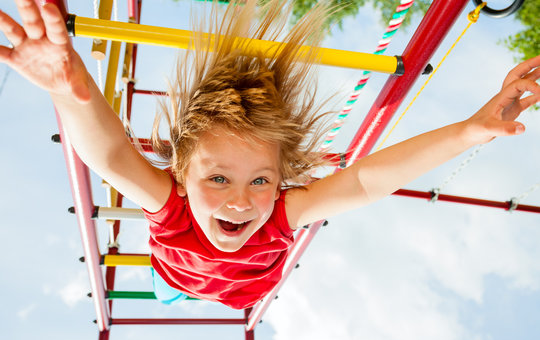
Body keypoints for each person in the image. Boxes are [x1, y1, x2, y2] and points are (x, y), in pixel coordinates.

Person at [0, 0, 538, 309]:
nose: (241, 200)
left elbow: (366, 181)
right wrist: (69, 91)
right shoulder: (175, 205)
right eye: (219, 180)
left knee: (184, 294)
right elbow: (112, 153)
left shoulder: (279, 209)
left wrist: (470, 130)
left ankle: (186, 296)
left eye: (261, 180)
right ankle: (178, 295)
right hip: (180, 278)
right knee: (172, 293)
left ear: (280, 181)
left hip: (238, 291)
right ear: (181, 177)